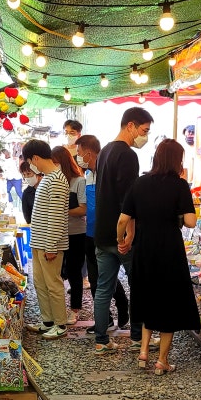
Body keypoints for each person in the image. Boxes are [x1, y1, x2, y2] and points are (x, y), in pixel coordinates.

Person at [117, 139, 199, 374]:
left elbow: (123, 219)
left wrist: (121, 240)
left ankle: (143, 351)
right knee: (169, 303)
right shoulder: (180, 185)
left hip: (144, 248)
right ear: (177, 161)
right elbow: (191, 221)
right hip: (170, 250)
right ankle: (161, 361)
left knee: (147, 296)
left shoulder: (139, 183)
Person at [93, 107, 154, 354]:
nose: (145, 136)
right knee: (137, 284)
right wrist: (129, 234)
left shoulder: (105, 151)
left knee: (103, 288)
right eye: (144, 130)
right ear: (130, 125)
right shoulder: (128, 155)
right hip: (122, 235)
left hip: (102, 233)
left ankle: (101, 340)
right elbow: (128, 201)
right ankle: (138, 338)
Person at [77, 135, 128, 334]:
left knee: (108, 278)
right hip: (90, 234)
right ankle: (104, 320)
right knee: (97, 279)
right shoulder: (88, 175)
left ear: (89, 153)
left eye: (80, 154)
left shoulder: (106, 173)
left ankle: (123, 306)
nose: (78, 158)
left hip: (109, 234)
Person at [23, 139, 70, 339]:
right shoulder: (47, 178)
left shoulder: (57, 179)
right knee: (40, 284)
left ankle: (60, 324)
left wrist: (51, 245)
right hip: (39, 241)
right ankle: (47, 320)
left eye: (29, 161)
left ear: (35, 158)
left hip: (49, 243)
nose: (31, 166)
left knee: (53, 284)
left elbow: (57, 216)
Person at [51, 145, 87, 324]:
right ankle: (57, 310)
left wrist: (61, 210)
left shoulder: (79, 181)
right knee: (57, 271)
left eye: (56, 163)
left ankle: (75, 309)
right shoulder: (52, 180)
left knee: (74, 272)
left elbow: (83, 209)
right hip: (57, 232)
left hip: (76, 233)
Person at [19, 159, 38, 224]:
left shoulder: (46, 186)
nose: (27, 177)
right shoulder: (26, 193)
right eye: (24, 175)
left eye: (29, 173)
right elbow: (27, 218)